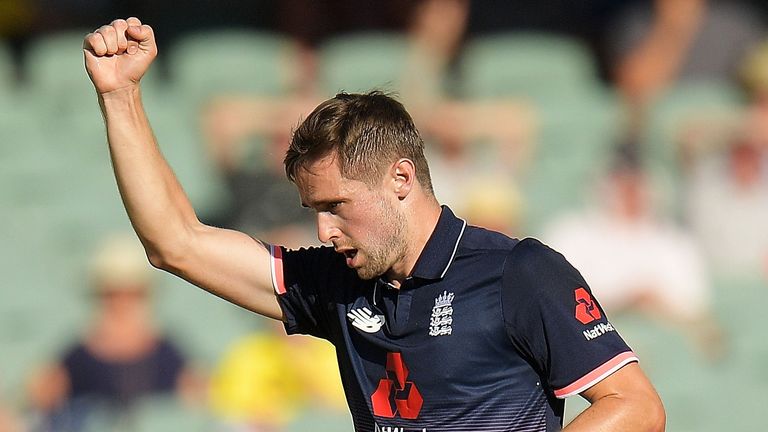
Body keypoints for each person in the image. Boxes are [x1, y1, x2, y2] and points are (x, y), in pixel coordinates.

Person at [81, 18, 665, 431]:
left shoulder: (521, 271)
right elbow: (176, 244)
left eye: (336, 205)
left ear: (401, 179)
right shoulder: (336, 280)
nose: (325, 232)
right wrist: (121, 96)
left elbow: (636, 408)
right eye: (316, 212)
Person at [26, 234, 203, 431]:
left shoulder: (169, 353)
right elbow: (44, 398)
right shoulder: (77, 356)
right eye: (113, 294)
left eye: (131, 293)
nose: (121, 302)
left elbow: (195, 398)